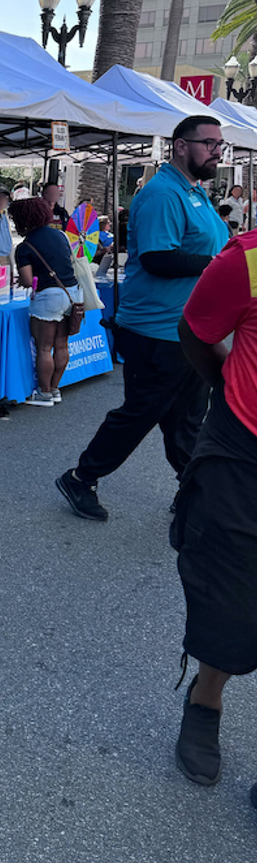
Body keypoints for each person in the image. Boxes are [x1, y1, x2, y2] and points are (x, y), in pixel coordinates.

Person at [56, 115, 229, 521]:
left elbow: (211, 246)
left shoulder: (196, 193)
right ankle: (81, 477)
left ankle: (194, 490)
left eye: (221, 145)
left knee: (186, 419)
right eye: (210, 143)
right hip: (156, 330)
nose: (218, 151)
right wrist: (220, 265)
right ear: (181, 146)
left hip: (190, 329)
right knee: (141, 413)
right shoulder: (162, 194)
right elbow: (157, 257)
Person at [171, 226, 257, 793]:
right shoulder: (249, 259)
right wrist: (231, 383)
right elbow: (196, 330)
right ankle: (205, 700)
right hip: (244, 449)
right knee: (230, 596)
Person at [11, 197, 81, 408]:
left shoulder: (25, 247)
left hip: (48, 297)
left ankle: (44, 393)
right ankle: (55, 388)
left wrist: (24, 281)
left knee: (44, 348)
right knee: (61, 345)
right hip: (72, 294)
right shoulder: (60, 235)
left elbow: (26, 280)